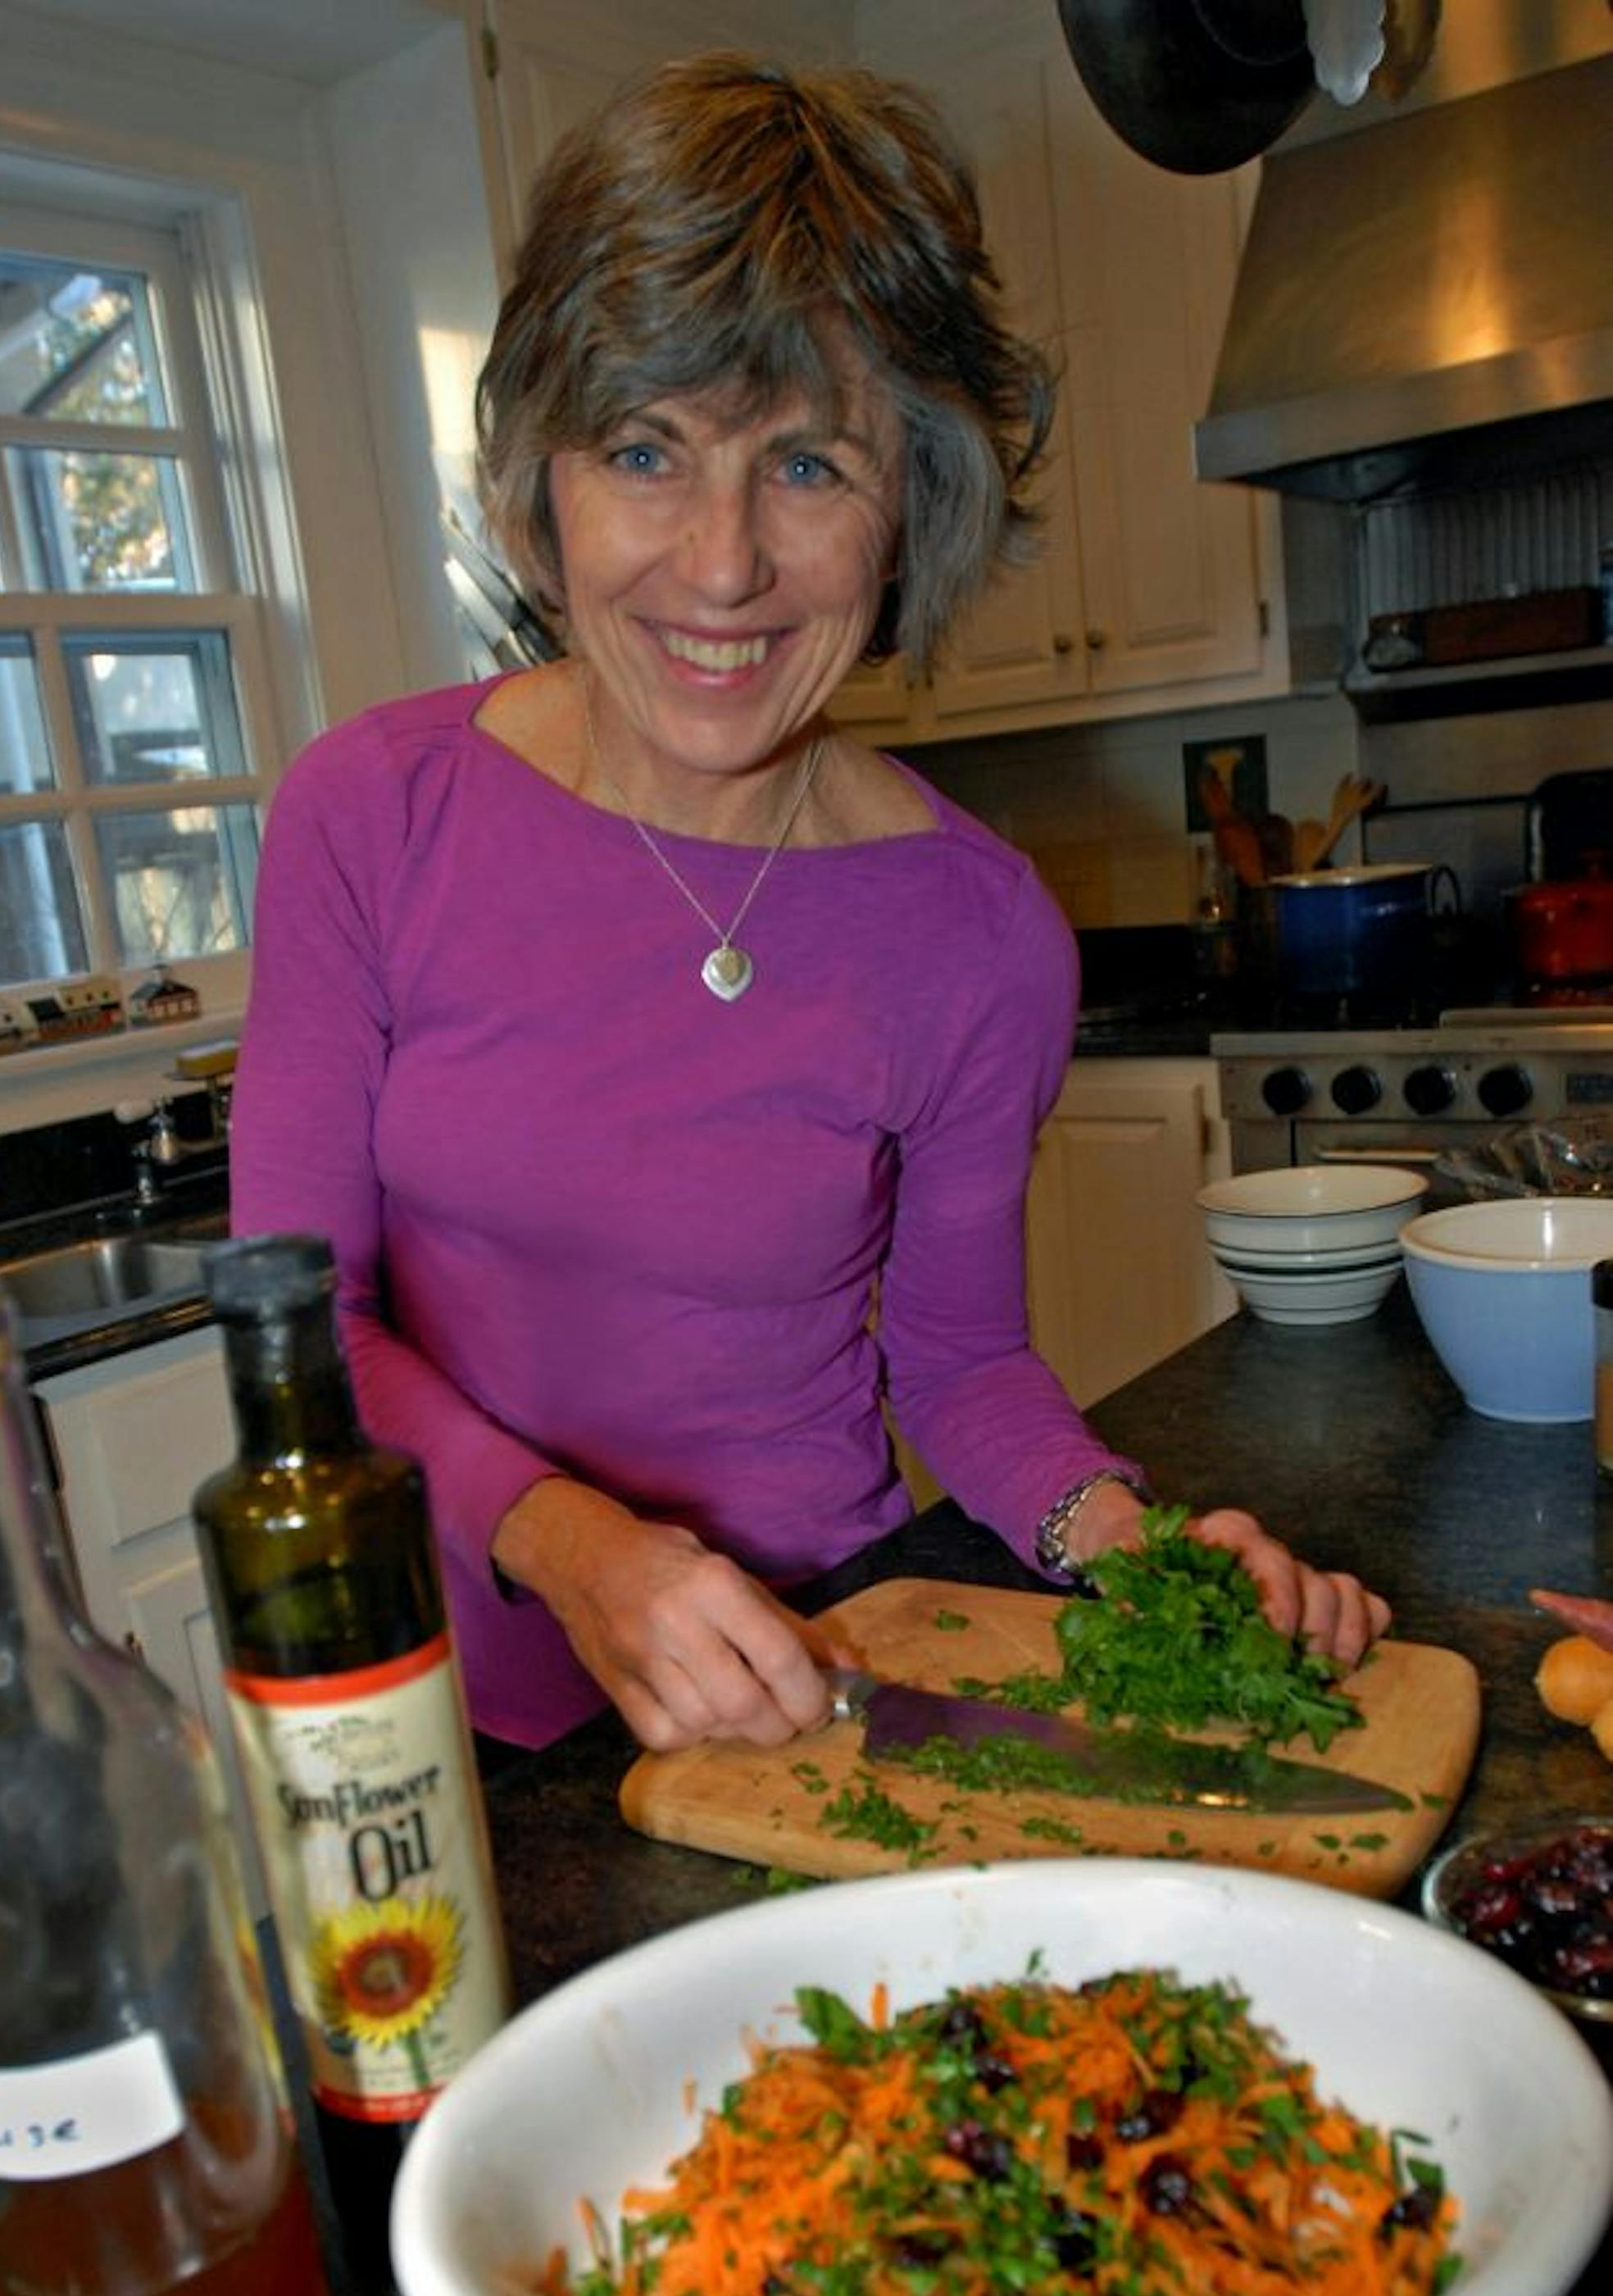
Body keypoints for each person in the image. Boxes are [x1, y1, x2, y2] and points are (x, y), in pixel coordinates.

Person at [232, 52, 1390, 1754]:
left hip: (826, 1693)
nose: (721, 565)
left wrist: (1134, 1551)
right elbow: (300, 1323)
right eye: (646, 450)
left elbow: (965, 1367)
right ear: (539, 481)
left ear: (911, 511)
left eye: (809, 467)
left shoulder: (981, 934)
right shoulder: (371, 814)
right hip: (458, 1718)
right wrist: (580, 1552)